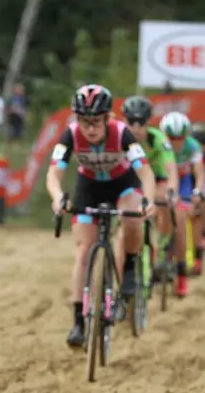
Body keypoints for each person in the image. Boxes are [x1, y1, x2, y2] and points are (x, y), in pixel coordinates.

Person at [45, 84, 156, 348]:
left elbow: (145, 173)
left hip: (123, 184)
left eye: (96, 122)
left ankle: (129, 267)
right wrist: (58, 197)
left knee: (131, 217)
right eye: (84, 121)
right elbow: (54, 174)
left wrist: (148, 199)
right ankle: (78, 322)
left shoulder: (122, 133)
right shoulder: (70, 135)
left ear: (108, 118)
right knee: (83, 252)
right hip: (89, 187)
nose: (90, 128)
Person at [121, 95, 178, 276]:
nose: (136, 127)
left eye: (141, 122)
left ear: (148, 122)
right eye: (131, 121)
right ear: (124, 120)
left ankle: (162, 248)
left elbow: (171, 170)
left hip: (156, 177)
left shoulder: (158, 138)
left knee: (163, 200)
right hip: (130, 179)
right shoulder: (119, 136)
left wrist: (172, 191)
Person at [159, 112, 205, 297]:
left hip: (184, 183)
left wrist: (197, 192)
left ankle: (181, 274)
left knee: (179, 226)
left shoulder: (193, 146)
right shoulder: (158, 143)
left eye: (181, 138)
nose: (177, 142)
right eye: (172, 138)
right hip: (162, 181)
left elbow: (200, 174)